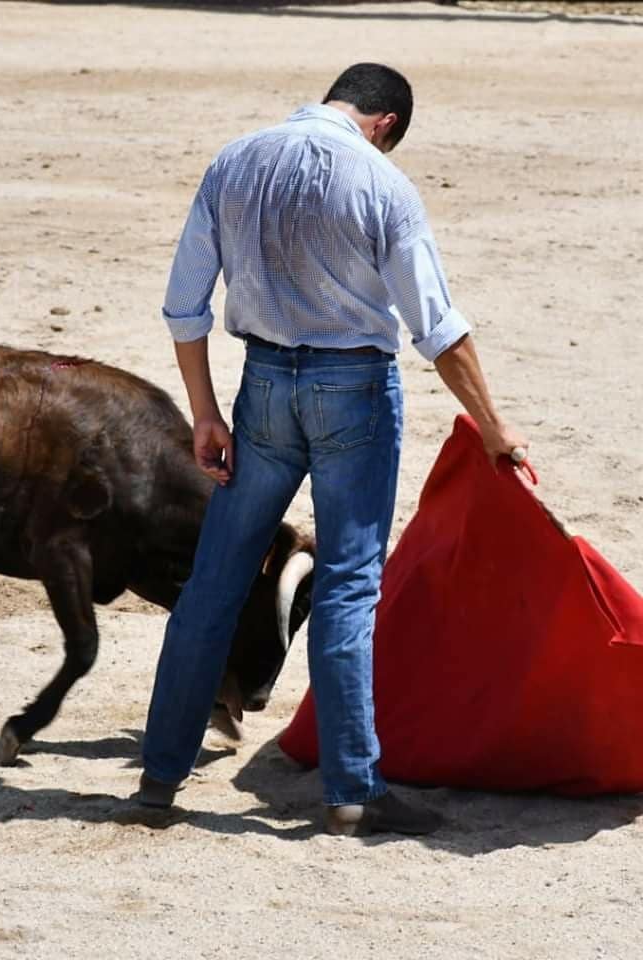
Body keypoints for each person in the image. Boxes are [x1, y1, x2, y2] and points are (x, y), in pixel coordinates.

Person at [138, 63, 528, 836]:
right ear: (384, 125)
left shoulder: (236, 160)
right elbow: (437, 329)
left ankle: (157, 779)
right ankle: (353, 791)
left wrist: (206, 415)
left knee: (213, 583)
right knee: (349, 587)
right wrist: (492, 424)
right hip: (352, 392)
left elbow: (184, 305)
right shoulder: (382, 186)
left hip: (260, 393)